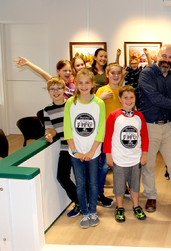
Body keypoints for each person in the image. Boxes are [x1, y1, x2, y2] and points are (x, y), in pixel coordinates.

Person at [138, 44, 171, 215]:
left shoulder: (170, 76)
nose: (167, 60)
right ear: (157, 56)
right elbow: (155, 99)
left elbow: (167, 100)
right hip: (149, 126)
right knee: (149, 165)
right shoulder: (147, 74)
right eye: (164, 56)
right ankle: (150, 196)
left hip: (168, 126)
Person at [64, 69, 106, 228]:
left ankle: (93, 210)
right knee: (80, 183)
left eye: (87, 82)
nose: (83, 86)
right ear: (76, 83)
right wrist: (75, 151)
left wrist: (91, 151)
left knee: (93, 183)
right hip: (75, 152)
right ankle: (85, 212)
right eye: (80, 82)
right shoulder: (70, 102)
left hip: (93, 152)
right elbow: (67, 129)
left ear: (92, 84)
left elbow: (100, 129)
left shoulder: (99, 103)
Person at [104, 85, 149, 222]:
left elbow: (145, 136)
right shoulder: (114, 116)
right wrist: (108, 155)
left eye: (131, 97)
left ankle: (136, 206)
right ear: (120, 99)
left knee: (135, 185)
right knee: (119, 185)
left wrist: (145, 153)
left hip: (135, 158)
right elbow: (108, 137)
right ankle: (120, 207)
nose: (129, 100)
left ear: (135, 99)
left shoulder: (139, 116)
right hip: (119, 158)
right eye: (125, 98)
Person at [43, 77, 79, 217]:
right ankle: (79, 203)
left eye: (59, 88)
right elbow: (51, 129)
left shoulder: (72, 104)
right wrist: (50, 135)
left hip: (79, 147)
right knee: (62, 177)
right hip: (65, 148)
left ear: (64, 90)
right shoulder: (47, 110)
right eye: (52, 89)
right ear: (49, 92)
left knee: (82, 178)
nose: (56, 91)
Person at [95, 63, 126, 207]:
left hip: (119, 135)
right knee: (103, 166)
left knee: (120, 164)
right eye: (112, 73)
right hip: (105, 134)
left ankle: (121, 189)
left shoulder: (122, 91)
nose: (115, 75)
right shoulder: (102, 90)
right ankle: (99, 193)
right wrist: (100, 98)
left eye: (118, 73)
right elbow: (92, 110)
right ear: (107, 75)